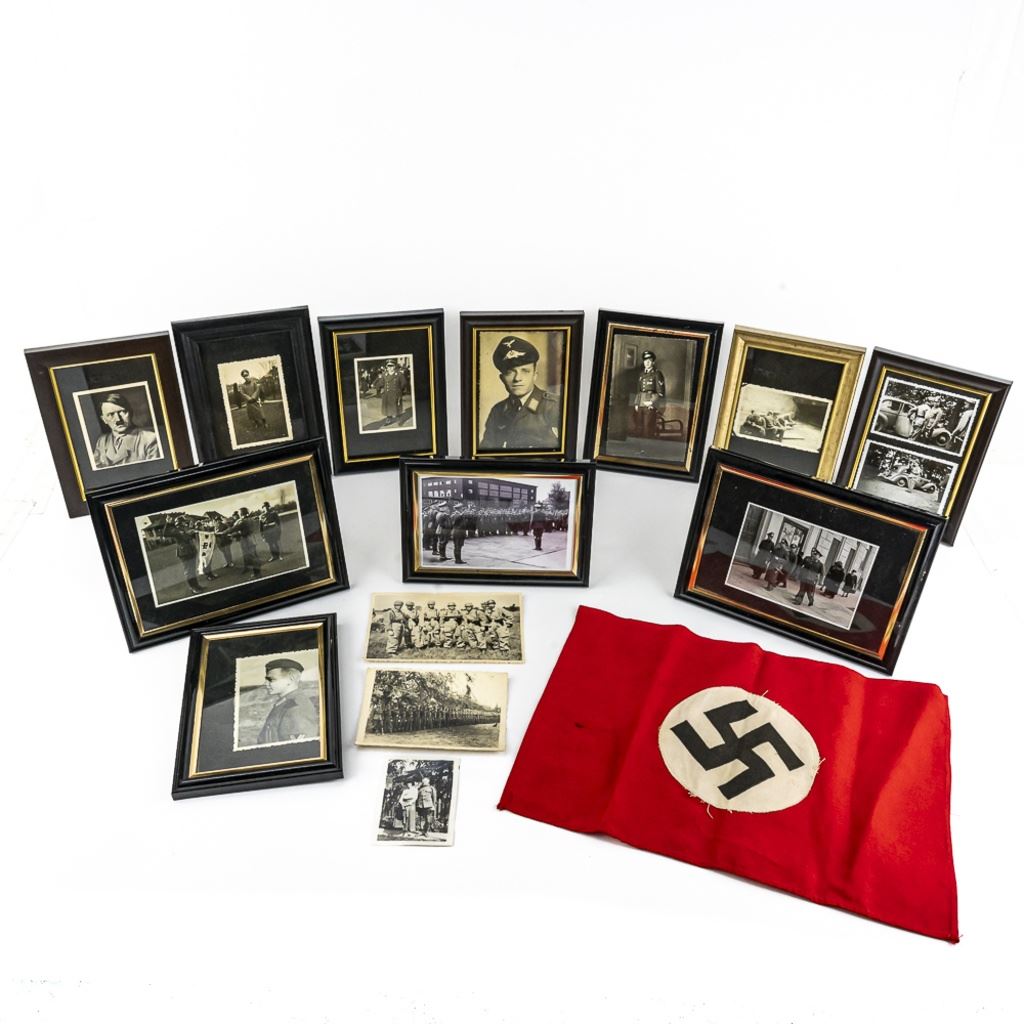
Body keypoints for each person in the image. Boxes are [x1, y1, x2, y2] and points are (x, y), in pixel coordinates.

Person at [480, 336, 561, 451]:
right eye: (510, 372)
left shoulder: (555, 406)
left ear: (535, 375)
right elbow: (486, 455)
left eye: (525, 371)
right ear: (502, 378)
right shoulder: (498, 411)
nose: (517, 378)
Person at [257, 658, 318, 744]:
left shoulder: (296, 708)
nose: (265, 684)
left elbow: (295, 749)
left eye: (271, 679)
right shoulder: (285, 703)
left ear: (291, 679)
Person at [91, 392, 160, 468]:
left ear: (131, 412)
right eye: (111, 414)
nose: (118, 419)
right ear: (104, 419)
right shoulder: (102, 441)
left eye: (122, 412)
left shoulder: (150, 439)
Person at [631, 350, 666, 438]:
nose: (647, 363)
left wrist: (652, 402)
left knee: (647, 430)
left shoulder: (657, 373)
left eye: (649, 361)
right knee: (638, 428)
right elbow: (638, 390)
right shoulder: (641, 374)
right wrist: (636, 403)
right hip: (640, 403)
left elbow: (661, 392)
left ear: (653, 362)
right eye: (645, 361)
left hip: (650, 404)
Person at [166, 514, 202, 596]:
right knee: (189, 571)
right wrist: (168, 523)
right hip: (184, 552)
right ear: (180, 523)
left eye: (185, 522)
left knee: (192, 570)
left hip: (191, 551)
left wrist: (194, 531)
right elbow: (165, 533)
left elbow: (191, 535)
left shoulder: (186, 529)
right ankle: (193, 587)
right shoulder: (176, 530)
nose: (185, 523)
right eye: (183, 522)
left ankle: (197, 585)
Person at [235, 507, 262, 579]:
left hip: (247, 540)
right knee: (254, 556)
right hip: (252, 539)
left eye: (239, 513)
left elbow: (235, 529)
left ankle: (257, 574)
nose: (239, 514)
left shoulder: (244, 521)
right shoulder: (250, 519)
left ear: (242, 513)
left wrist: (230, 534)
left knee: (253, 558)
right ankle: (257, 572)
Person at [378, 359, 404, 425]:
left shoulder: (399, 374)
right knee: (388, 407)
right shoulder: (384, 374)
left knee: (397, 407)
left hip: (396, 394)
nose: (390, 368)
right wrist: (378, 386)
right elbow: (381, 383)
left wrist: (399, 390)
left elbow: (404, 383)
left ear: (394, 366)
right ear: (386, 367)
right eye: (388, 366)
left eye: (391, 366)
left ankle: (399, 420)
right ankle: (388, 419)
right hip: (387, 394)